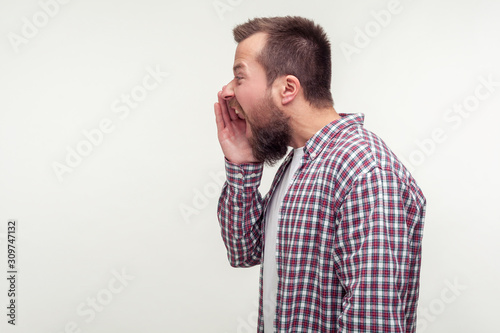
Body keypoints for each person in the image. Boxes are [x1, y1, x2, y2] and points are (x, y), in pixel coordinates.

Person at [214, 16, 426, 333]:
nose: (227, 91)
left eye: (240, 78)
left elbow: (372, 323)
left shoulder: (365, 170)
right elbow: (243, 251)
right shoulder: (299, 161)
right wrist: (242, 165)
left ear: (287, 89)